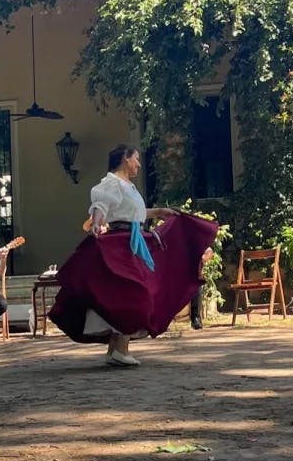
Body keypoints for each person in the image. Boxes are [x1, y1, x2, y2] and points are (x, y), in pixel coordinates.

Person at [50, 144, 218, 366]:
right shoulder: (112, 182)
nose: (139, 163)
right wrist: (98, 222)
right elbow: (100, 205)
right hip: (121, 243)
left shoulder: (129, 187)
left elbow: (135, 213)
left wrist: (159, 212)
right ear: (125, 159)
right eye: (136, 159)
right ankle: (120, 348)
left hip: (135, 242)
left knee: (134, 291)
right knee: (132, 292)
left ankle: (116, 350)